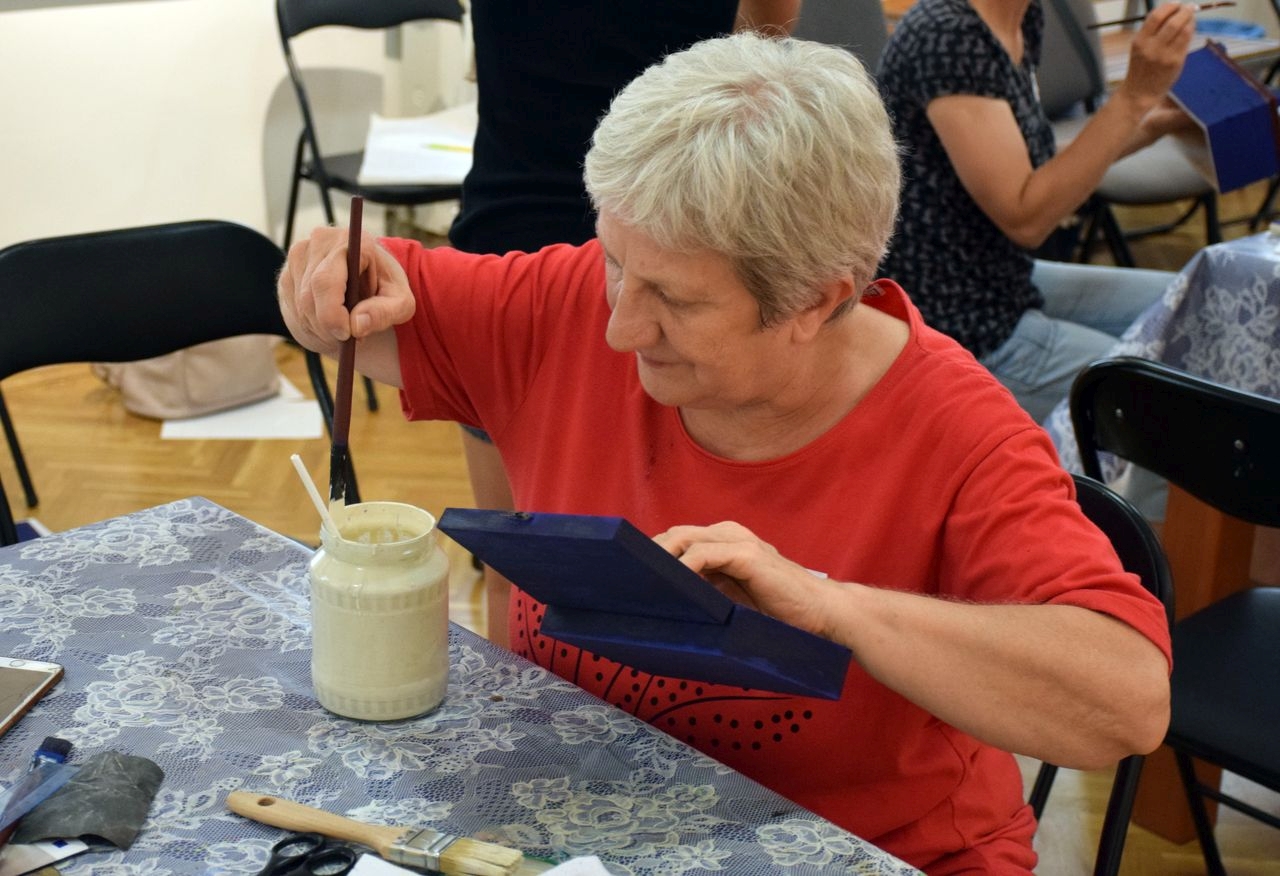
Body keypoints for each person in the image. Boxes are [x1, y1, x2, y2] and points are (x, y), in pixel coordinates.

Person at [279, 33, 1171, 874]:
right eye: (617, 262)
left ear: (819, 302)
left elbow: (1126, 703)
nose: (622, 325)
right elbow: (369, 296)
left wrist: (832, 609)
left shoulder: (956, 432)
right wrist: (322, 282)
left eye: (674, 298)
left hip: (862, 853)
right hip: (587, 830)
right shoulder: (566, 305)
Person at [448, 1, 801, 644]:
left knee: (550, 567)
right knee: (654, 570)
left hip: (615, 235)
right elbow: (762, 49)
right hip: (656, 243)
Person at [876, 0, 1197, 423]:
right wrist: (1135, 97)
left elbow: (1028, 166)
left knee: (1198, 310)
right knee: (1179, 410)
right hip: (956, 324)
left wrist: (1152, 124)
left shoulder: (1021, 18)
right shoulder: (947, 36)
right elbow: (1026, 218)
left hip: (1001, 280)